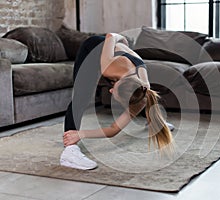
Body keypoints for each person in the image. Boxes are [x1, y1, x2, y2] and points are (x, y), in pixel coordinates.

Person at [60, 33, 174, 170]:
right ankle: (70, 151)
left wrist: (82, 133)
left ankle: (152, 121)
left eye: (113, 90)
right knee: (81, 97)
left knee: (141, 100)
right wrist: (121, 38)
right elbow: (110, 36)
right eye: (114, 88)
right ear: (118, 79)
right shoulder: (109, 67)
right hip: (93, 48)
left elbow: (114, 129)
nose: (110, 91)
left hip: (119, 60)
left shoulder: (143, 89)